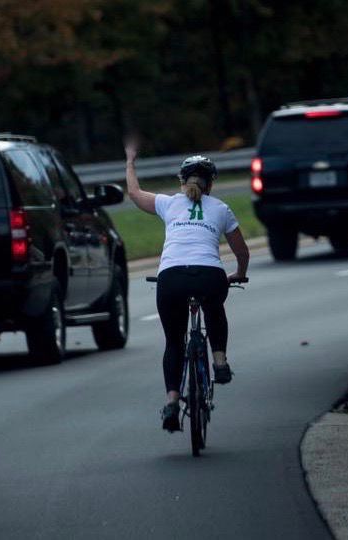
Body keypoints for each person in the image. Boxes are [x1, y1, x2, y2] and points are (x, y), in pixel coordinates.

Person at [123, 137, 250, 433]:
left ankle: (171, 401)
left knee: (173, 342)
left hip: (171, 278)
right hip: (209, 275)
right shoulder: (221, 208)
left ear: (182, 181)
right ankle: (219, 362)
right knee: (214, 308)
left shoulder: (168, 203)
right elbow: (241, 251)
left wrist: (130, 161)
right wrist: (239, 272)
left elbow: (133, 192)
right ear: (211, 184)